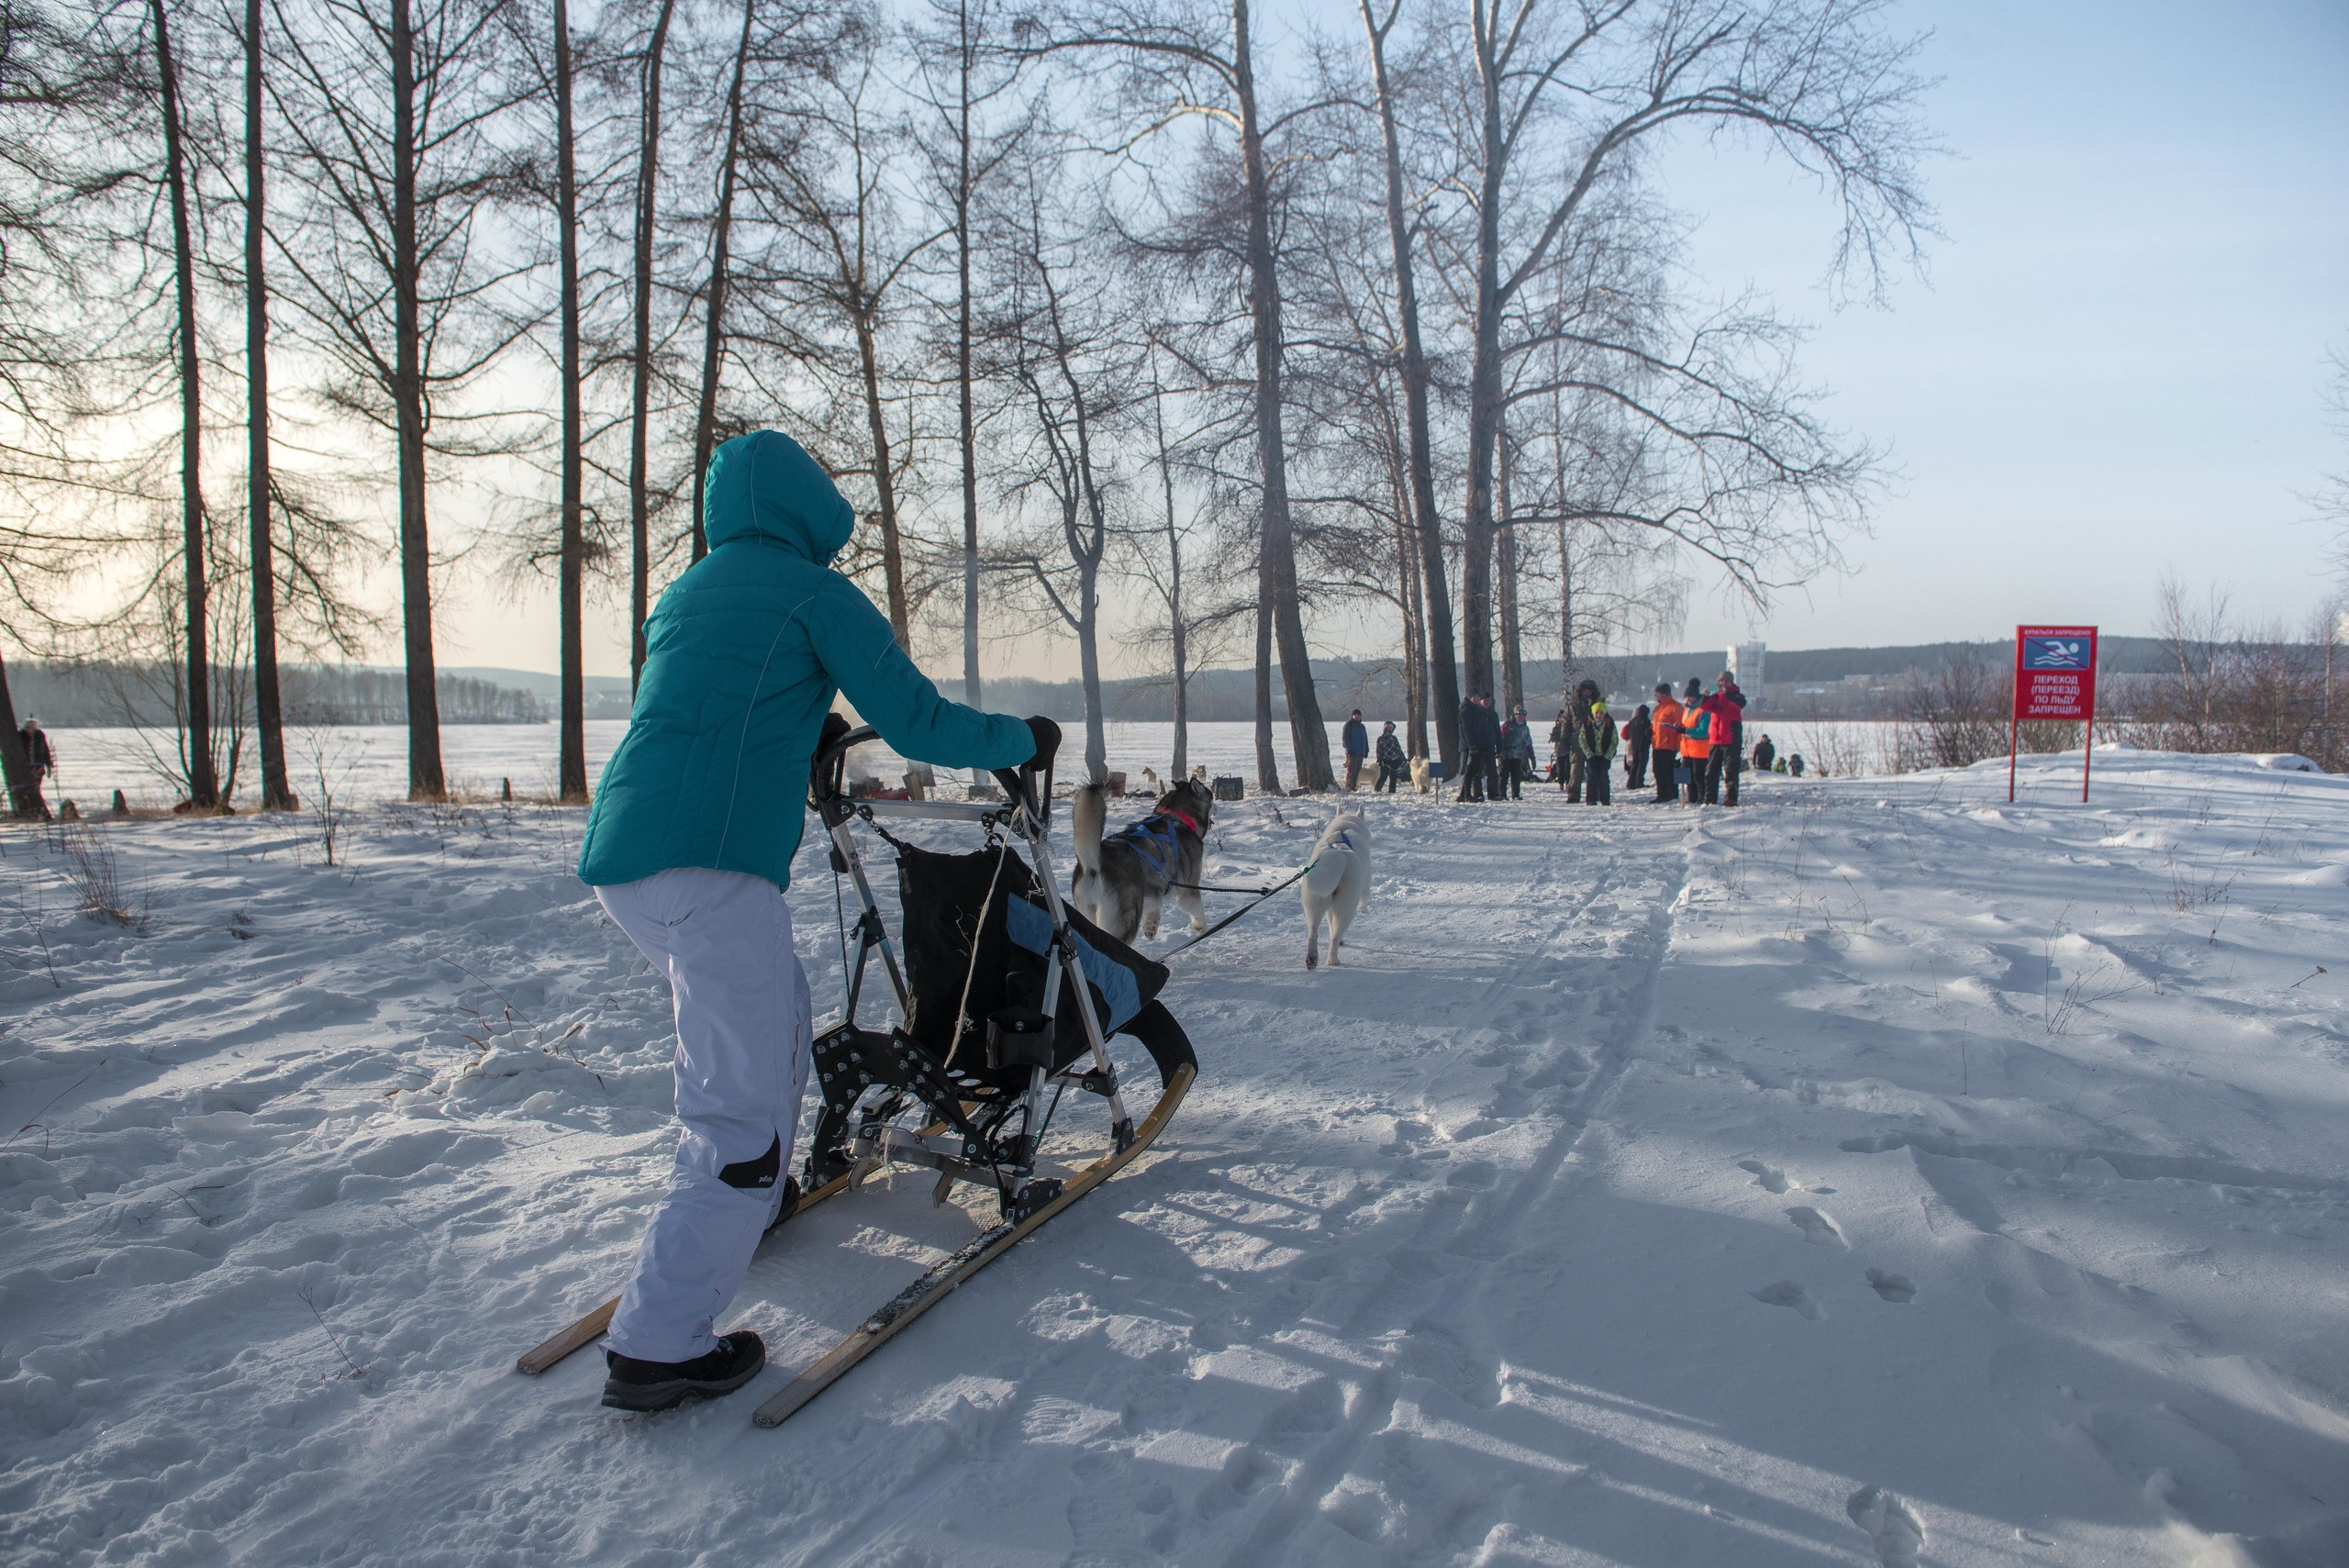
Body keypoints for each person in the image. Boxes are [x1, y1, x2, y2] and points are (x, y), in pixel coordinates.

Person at [575, 429, 1047, 1413]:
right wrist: (1021, 738)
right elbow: (918, 722)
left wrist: (801, 722)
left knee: (776, 1016)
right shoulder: (813, 592)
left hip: (625, 860)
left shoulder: (688, 591)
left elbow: (714, 707)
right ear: (809, 507)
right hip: (711, 870)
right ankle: (660, 1341)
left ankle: (754, 1193)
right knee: (738, 1107)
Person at [1457, 694, 1500, 802]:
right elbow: (1469, 730)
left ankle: (1494, 794)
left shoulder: (1493, 715)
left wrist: (1499, 746)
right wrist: (1473, 745)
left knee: (1492, 772)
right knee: (1476, 773)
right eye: (1484, 700)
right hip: (1478, 747)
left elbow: (1498, 732)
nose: (1486, 702)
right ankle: (1477, 794)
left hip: (1490, 747)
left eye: (1488, 700)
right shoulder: (1474, 713)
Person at [1676, 677, 1712, 806]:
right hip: (1686, 749)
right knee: (1686, 775)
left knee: (1698, 776)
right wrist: (1679, 727)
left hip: (1699, 749)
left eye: (1690, 697)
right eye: (1687, 697)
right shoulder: (1687, 710)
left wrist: (1685, 730)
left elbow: (1703, 731)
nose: (1688, 700)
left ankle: (1702, 798)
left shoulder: (1703, 710)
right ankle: (1691, 797)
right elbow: (1686, 725)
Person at [1648, 684, 1684, 804]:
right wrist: (1650, 731)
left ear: (1663, 694)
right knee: (1657, 771)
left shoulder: (1676, 707)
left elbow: (1680, 727)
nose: (1655, 695)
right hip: (1657, 744)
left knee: (1668, 772)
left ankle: (1671, 795)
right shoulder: (1658, 708)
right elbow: (1656, 725)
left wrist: (1678, 744)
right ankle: (1661, 795)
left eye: (1657, 693)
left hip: (1669, 746)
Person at [1579, 700, 1618, 804]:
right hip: (1591, 756)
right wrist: (1589, 756)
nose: (1598, 715)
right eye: (1596, 713)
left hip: (1605, 755)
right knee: (1592, 777)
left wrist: (1607, 757)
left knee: (1603, 777)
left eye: (1601, 713)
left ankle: (1605, 799)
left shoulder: (1610, 724)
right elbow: (1582, 740)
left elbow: (1614, 742)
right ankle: (1591, 799)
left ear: (1604, 714)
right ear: (1593, 713)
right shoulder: (1587, 724)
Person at [15, 717, 53, 819]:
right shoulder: (21, 735)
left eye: (32, 726)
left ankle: (38, 807)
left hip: (39, 765)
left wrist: (48, 764)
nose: (30, 729)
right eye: (28, 727)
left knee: (36, 786)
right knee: (27, 787)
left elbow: (45, 750)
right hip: (25, 766)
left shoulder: (39, 735)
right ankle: (28, 808)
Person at [1499, 704, 1535, 800]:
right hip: (1505, 755)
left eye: (1523, 716)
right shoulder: (1507, 725)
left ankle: (1516, 794)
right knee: (1504, 775)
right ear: (1515, 716)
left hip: (1517, 756)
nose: (1521, 718)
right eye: (1519, 715)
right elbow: (1500, 737)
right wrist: (1500, 751)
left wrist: (1532, 757)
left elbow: (1528, 744)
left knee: (1516, 775)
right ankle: (1502, 794)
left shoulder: (1525, 729)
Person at [1623, 703, 1653, 791]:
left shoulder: (1633, 721)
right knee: (1641, 766)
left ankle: (1631, 783)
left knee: (1634, 765)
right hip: (1643, 746)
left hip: (1634, 746)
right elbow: (1647, 733)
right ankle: (1639, 782)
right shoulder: (1645, 721)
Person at [1374, 721, 1408, 792]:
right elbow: (1379, 750)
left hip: (1395, 760)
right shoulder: (1381, 738)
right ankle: (1377, 790)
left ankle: (1392, 791)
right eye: (1388, 727)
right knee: (1383, 777)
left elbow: (1398, 749)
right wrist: (1379, 760)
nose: (1390, 729)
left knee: (1393, 777)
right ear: (1385, 728)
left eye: (1391, 727)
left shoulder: (1394, 738)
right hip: (1385, 760)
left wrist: (1403, 758)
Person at [1341, 709, 1369, 791]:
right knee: (1351, 770)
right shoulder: (1349, 725)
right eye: (1355, 715)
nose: (1357, 716)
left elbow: (1365, 739)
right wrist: (1348, 749)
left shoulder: (1362, 726)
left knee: (1357, 771)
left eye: (1358, 715)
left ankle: (1353, 786)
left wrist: (1366, 750)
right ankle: (1348, 786)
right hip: (1352, 753)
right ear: (1352, 716)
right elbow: (1345, 738)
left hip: (1360, 753)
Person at [1547, 709, 1572, 787]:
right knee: (1560, 768)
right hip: (1559, 751)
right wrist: (1553, 737)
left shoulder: (1569, 727)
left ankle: (1568, 782)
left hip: (1567, 750)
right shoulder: (1556, 728)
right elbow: (1553, 739)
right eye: (1560, 717)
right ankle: (1561, 783)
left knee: (1567, 768)